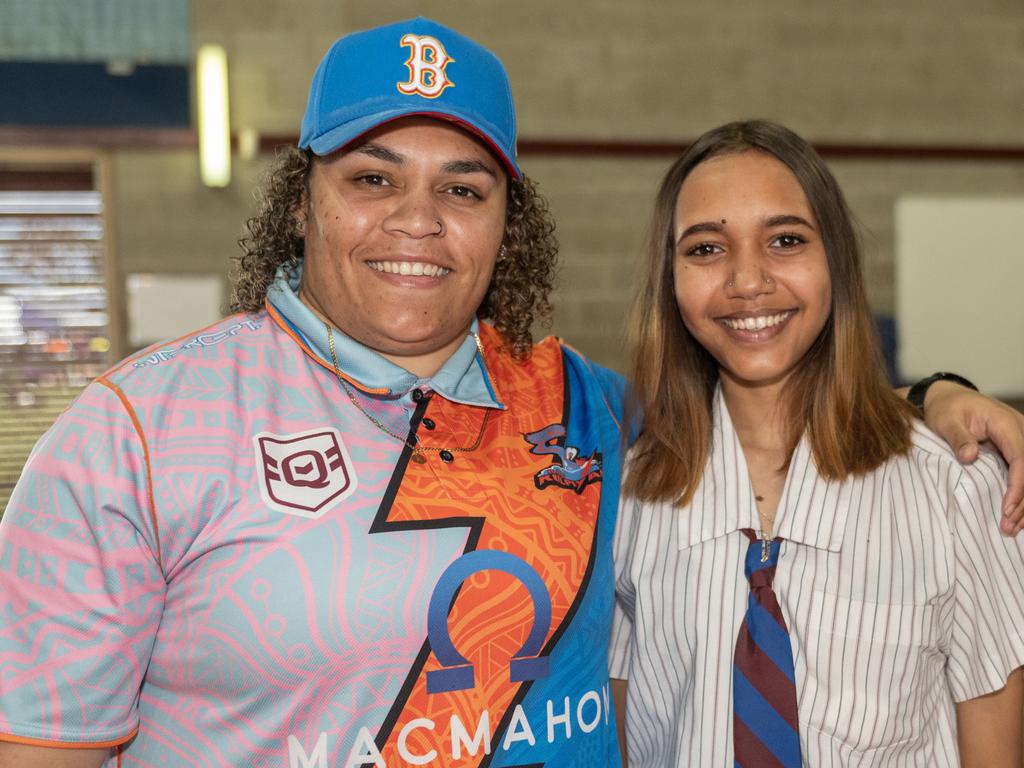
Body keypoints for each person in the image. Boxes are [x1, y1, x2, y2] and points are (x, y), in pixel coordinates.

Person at [0, 19, 1021, 768]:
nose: (419, 219)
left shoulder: (592, 412)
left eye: (463, 188)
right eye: (371, 178)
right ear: (300, 199)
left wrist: (933, 394)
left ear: (506, 225)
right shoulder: (133, 435)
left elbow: (771, 398)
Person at [610, 120, 1024, 767]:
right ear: (671, 281)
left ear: (836, 257)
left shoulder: (959, 489)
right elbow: (631, 733)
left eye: (785, 240)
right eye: (705, 249)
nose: (748, 280)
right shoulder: (629, 497)